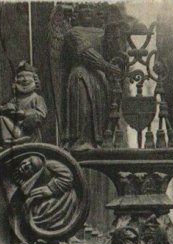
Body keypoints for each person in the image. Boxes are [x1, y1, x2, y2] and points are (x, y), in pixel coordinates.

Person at [64, 5, 120, 150]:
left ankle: (99, 142)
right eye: (84, 8)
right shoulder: (73, 32)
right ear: (76, 14)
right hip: (81, 73)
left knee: (101, 109)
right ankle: (81, 140)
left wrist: (114, 34)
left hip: (99, 76)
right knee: (84, 107)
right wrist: (107, 66)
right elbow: (85, 52)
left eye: (91, 7)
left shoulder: (102, 32)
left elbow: (112, 53)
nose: (88, 10)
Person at [0, 62, 47, 160]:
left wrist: (22, 113)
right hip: (14, 131)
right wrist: (4, 109)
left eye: (28, 76)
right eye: (21, 77)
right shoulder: (14, 100)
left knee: (2, 120)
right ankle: (4, 145)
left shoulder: (36, 98)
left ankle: (7, 145)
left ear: (34, 79)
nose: (25, 79)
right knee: (1, 119)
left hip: (28, 135)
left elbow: (41, 116)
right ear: (16, 80)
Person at [10, 154, 78, 240]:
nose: (26, 165)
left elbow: (68, 176)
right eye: (27, 161)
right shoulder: (21, 175)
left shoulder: (50, 164)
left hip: (61, 199)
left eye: (32, 166)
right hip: (41, 199)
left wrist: (51, 188)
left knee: (46, 213)